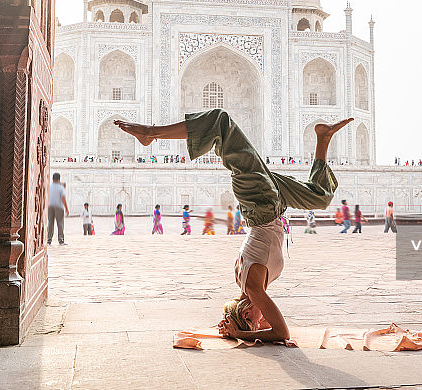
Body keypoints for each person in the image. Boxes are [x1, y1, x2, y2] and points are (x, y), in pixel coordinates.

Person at [115, 108, 352, 342]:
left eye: (256, 320)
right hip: (273, 202)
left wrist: (242, 333)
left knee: (220, 121)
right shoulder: (248, 284)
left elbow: (281, 332)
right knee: (319, 197)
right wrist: (239, 326)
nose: (262, 321)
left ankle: (151, 133)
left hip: (260, 201)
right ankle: (323, 137)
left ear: (247, 311)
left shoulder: (252, 287)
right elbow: (269, 322)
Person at [47, 172, 70, 245]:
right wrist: (66, 208)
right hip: (59, 207)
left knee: (50, 223)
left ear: (52, 178)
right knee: (60, 223)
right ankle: (61, 240)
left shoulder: (49, 187)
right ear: (59, 179)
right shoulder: (61, 187)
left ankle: (48, 240)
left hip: (50, 206)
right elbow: (63, 198)